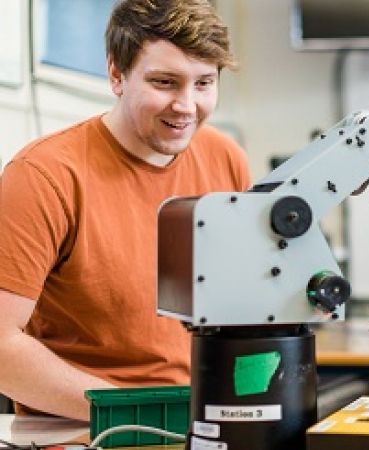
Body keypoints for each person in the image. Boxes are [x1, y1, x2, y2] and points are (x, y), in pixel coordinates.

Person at [0, 0, 250, 421]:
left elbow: (243, 303)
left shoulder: (226, 158)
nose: (186, 105)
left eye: (204, 83)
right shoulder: (43, 176)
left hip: (199, 419)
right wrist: (133, 414)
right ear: (117, 75)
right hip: (86, 428)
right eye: (165, 82)